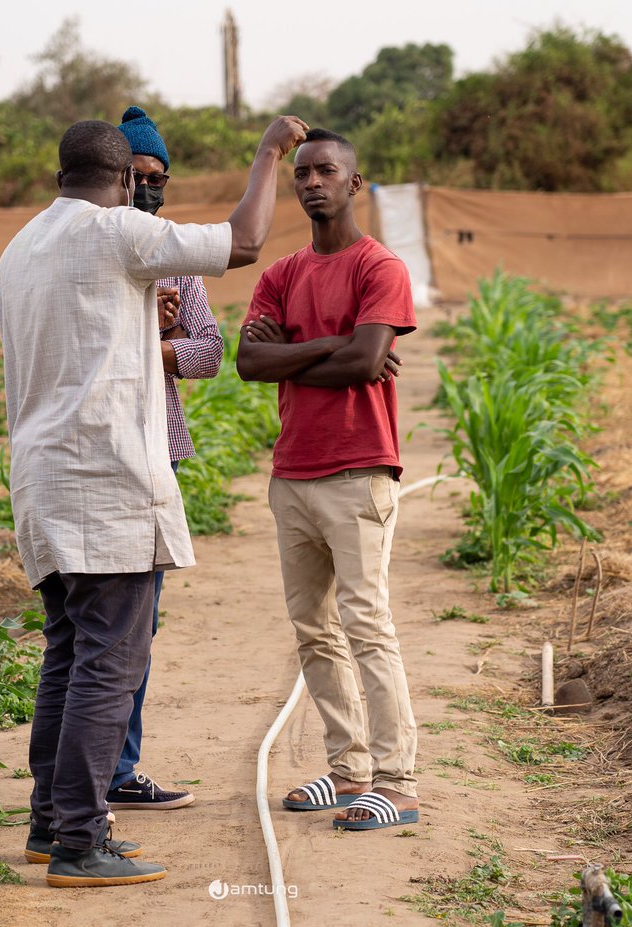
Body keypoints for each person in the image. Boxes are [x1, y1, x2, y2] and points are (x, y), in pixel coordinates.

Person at [0, 113, 308, 887]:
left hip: (42, 478)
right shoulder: (119, 234)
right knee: (111, 660)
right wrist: (270, 153)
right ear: (129, 181)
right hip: (105, 480)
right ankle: (78, 839)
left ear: (57, 174)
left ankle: (50, 822)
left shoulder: (21, 245)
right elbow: (241, 242)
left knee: (69, 656)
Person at [236, 127, 420, 832]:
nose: (312, 181)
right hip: (294, 475)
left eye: (326, 171)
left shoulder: (381, 267)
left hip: (357, 469)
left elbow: (366, 362)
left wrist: (305, 351)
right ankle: (349, 770)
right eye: (303, 173)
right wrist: (337, 345)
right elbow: (250, 362)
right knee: (313, 628)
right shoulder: (281, 274)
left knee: (366, 623)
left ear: (355, 181)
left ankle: (398, 780)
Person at [105, 105, 224, 812]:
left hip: (159, 452)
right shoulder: (97, 250)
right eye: (139, 177)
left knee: (138, 624)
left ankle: (118, 767)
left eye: (161, 179)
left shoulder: (178, 257)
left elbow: (210, 351)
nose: (151, 191)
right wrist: (147, 331)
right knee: (103, 627)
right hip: (101, 451)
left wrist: (155, 346)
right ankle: (98, 774)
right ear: (115, 179)